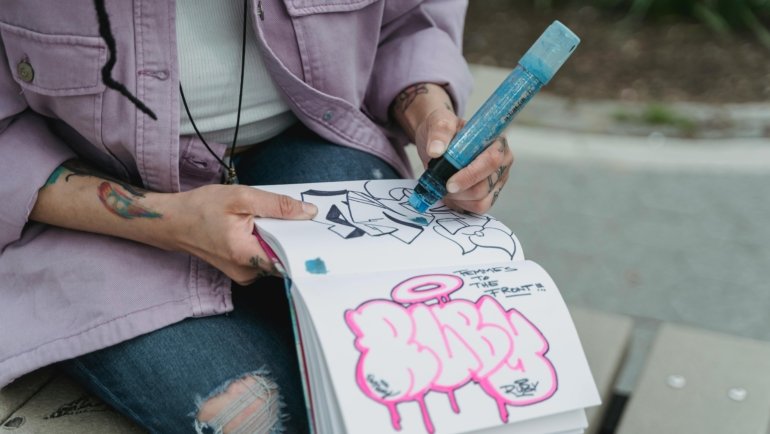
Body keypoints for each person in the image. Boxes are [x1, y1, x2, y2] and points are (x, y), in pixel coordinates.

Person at [0, 0, 513, 432]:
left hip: (308, 144)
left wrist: (431, 116)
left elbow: (408, 22)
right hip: (83, 196)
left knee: (415, 379)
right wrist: (162, 219)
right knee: (255, 413)